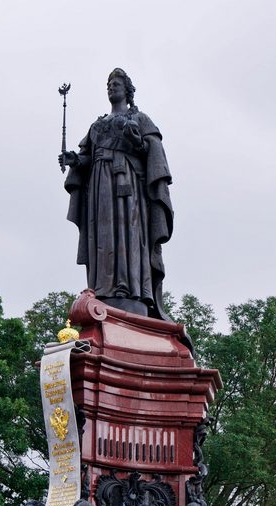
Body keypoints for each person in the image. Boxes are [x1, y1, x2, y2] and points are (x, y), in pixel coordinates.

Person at [60, 68, 173, 320]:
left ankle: (130, 289)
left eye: (117, 82)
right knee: (102, 236)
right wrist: (75, 160)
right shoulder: (97, 125)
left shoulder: (140, 119)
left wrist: (138, 142)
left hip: (127, 184)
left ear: (128, 89)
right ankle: (101, 289)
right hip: (100, 186)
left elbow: (154, 154)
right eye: (109, 83)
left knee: (128, 233)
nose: (112, 86)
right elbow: (87, 155)